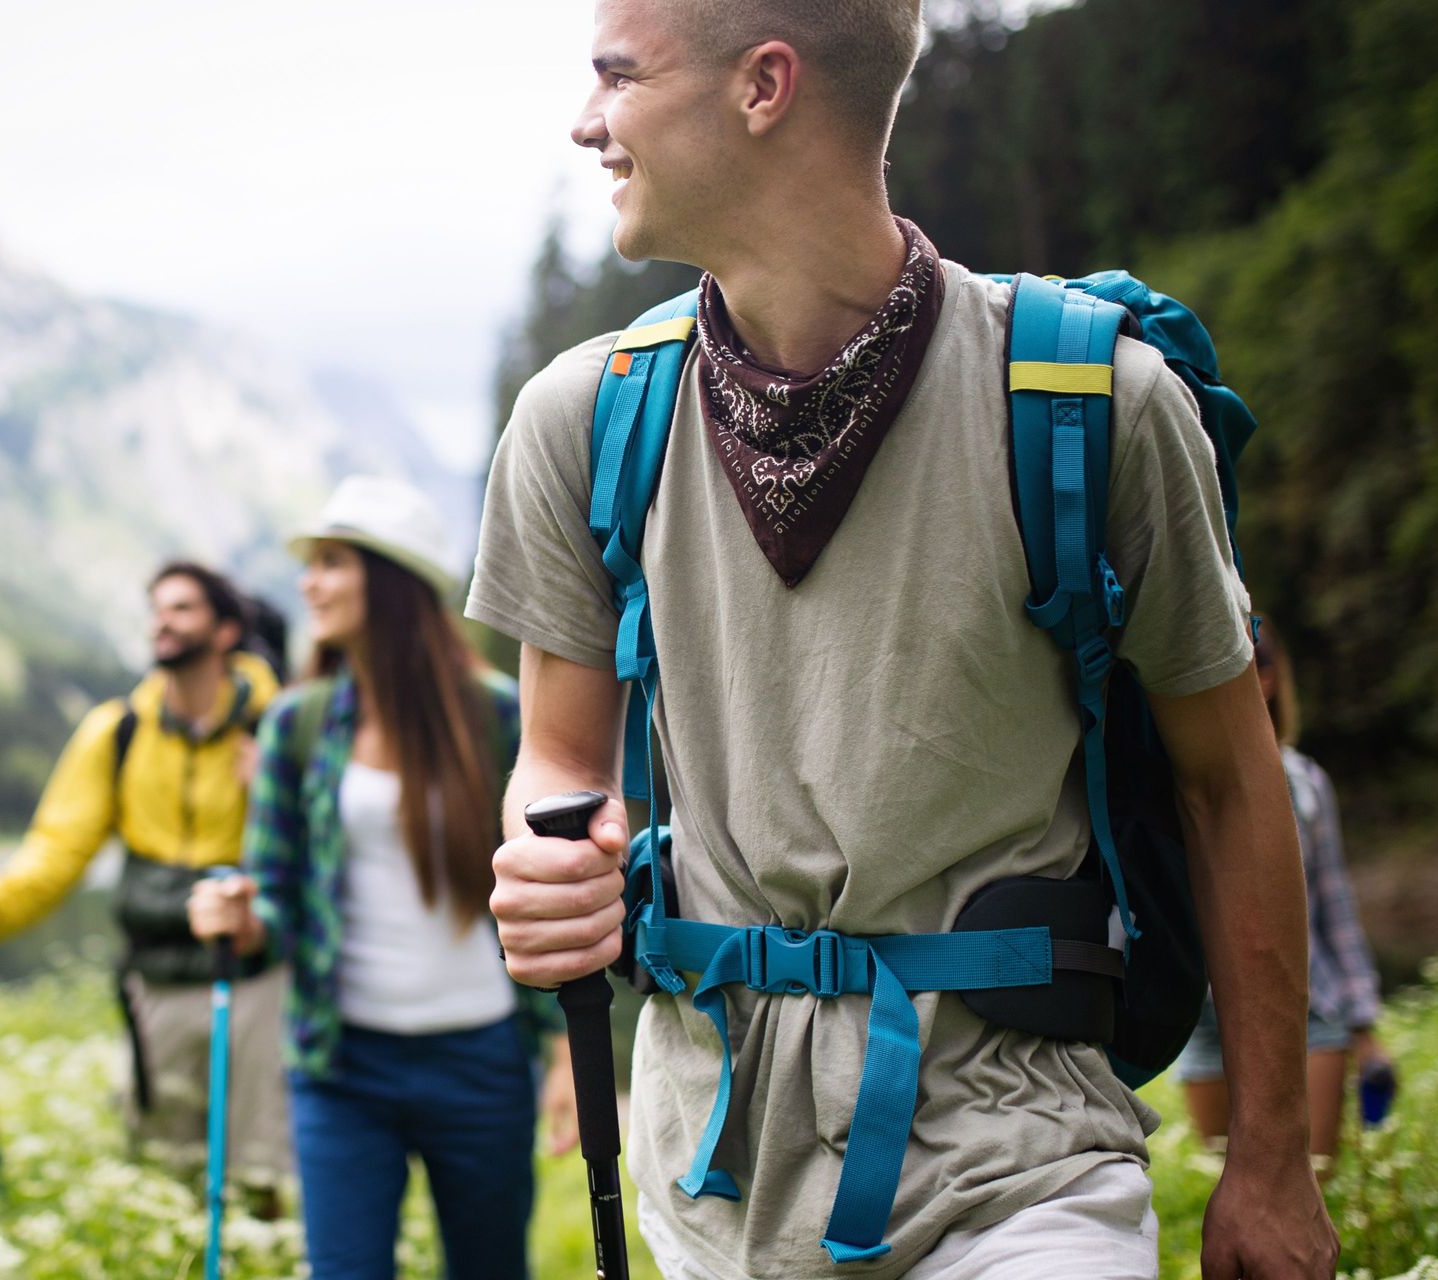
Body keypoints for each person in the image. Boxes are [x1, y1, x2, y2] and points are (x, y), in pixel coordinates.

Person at [471, 2, 1337, 1277]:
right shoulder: (585, 420)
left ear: (764, 87)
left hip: (1022, 1172)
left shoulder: (1092, 404)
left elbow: (1230, 778)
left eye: (618, 75)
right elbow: (559, 758)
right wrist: (546, 857)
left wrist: (1270, 1162)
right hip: (711, 1183)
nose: (585, 121)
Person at [187, 475, 577, 1280]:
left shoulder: (499, 715)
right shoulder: (296, 725)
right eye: (311, 564)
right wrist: (240, 916)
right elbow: (277, 898)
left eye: (332, 562)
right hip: (341, 1067)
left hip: (481, 1059)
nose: (309, 582)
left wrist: (568, 1051)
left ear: (392, 581)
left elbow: (555, 886)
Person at [0, 561, 293, 1195]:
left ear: (227, 629)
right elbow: (56, 850)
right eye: (157, 608)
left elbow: (326, 849)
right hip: (157, 983)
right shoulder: (116, 733)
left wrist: (271, 788)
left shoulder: (282, 725)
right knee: (166, 1178)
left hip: (257, 979)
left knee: (263, 1177)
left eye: (182, 608)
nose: (162, 621)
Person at [1178, 620, 1393, 1175]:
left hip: (1311, 1011)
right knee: (1225, 1197)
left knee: (1310, 1187)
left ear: (1267, 678)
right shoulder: (1178, 779)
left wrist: (1364, 1026)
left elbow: (1335, 907)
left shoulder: (1306, 784)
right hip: (1202, 1020)